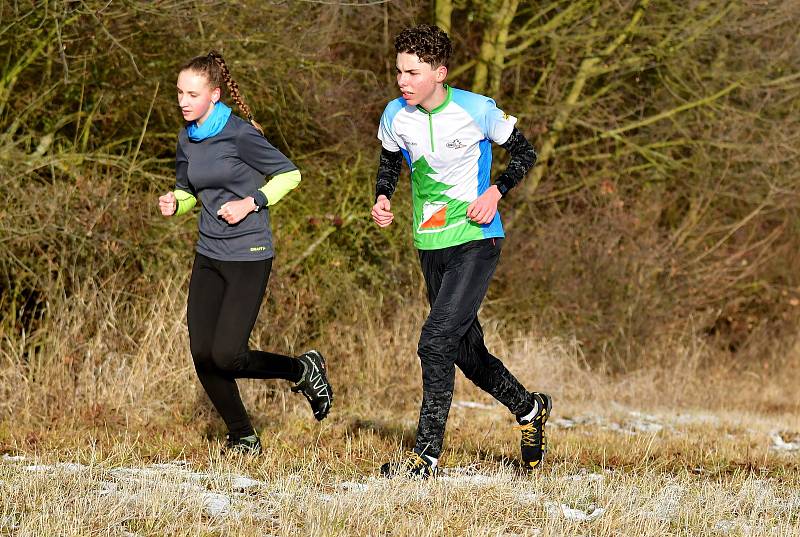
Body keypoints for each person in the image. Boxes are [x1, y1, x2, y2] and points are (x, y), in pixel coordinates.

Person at [371, 25, 549, 477]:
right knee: (466, 355)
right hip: (429, 243)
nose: (402, 81)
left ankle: (425, 457)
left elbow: (525, 153)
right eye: (399, 72)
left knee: (434, 343)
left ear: (439, 73)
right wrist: (383, 196)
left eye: (412, 73)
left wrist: (497, 190)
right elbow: (391, 159)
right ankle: (529, 409)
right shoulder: (395, 114)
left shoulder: (476, 109)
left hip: (477, 238)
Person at [158, 51, 333, 455]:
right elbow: (189, 190)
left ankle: (302, 369)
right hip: (208, 253)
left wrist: (251, 202)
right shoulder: (187, 137)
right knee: (203, 353)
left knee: (228, 355)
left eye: (192, 93)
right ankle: (243, 436)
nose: (184, 101)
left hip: (248, 253)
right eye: (179, 93)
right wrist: (176, 203)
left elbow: (290, 174)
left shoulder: (239, 134)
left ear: (214, 95)